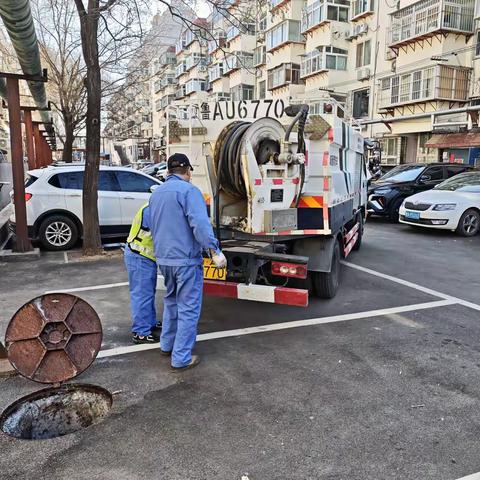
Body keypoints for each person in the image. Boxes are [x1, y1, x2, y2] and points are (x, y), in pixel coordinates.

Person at [149, 153, 226, 372]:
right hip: (185, 259)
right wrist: (214, 250)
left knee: (171, 301)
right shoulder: (189, 192)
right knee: (189, 308)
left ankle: (167, 345)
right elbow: (200, 226)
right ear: (188, 171)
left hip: (164, 258)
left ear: (169, 171)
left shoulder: (157, 193)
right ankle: (181, 357)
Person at [124, 204, 161, 344]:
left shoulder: (151, 206)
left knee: (147, 293)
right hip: (139, 256)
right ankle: (141, 333)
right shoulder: (153, 209)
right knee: (142, 294)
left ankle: (149, 322)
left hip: (142, 256)